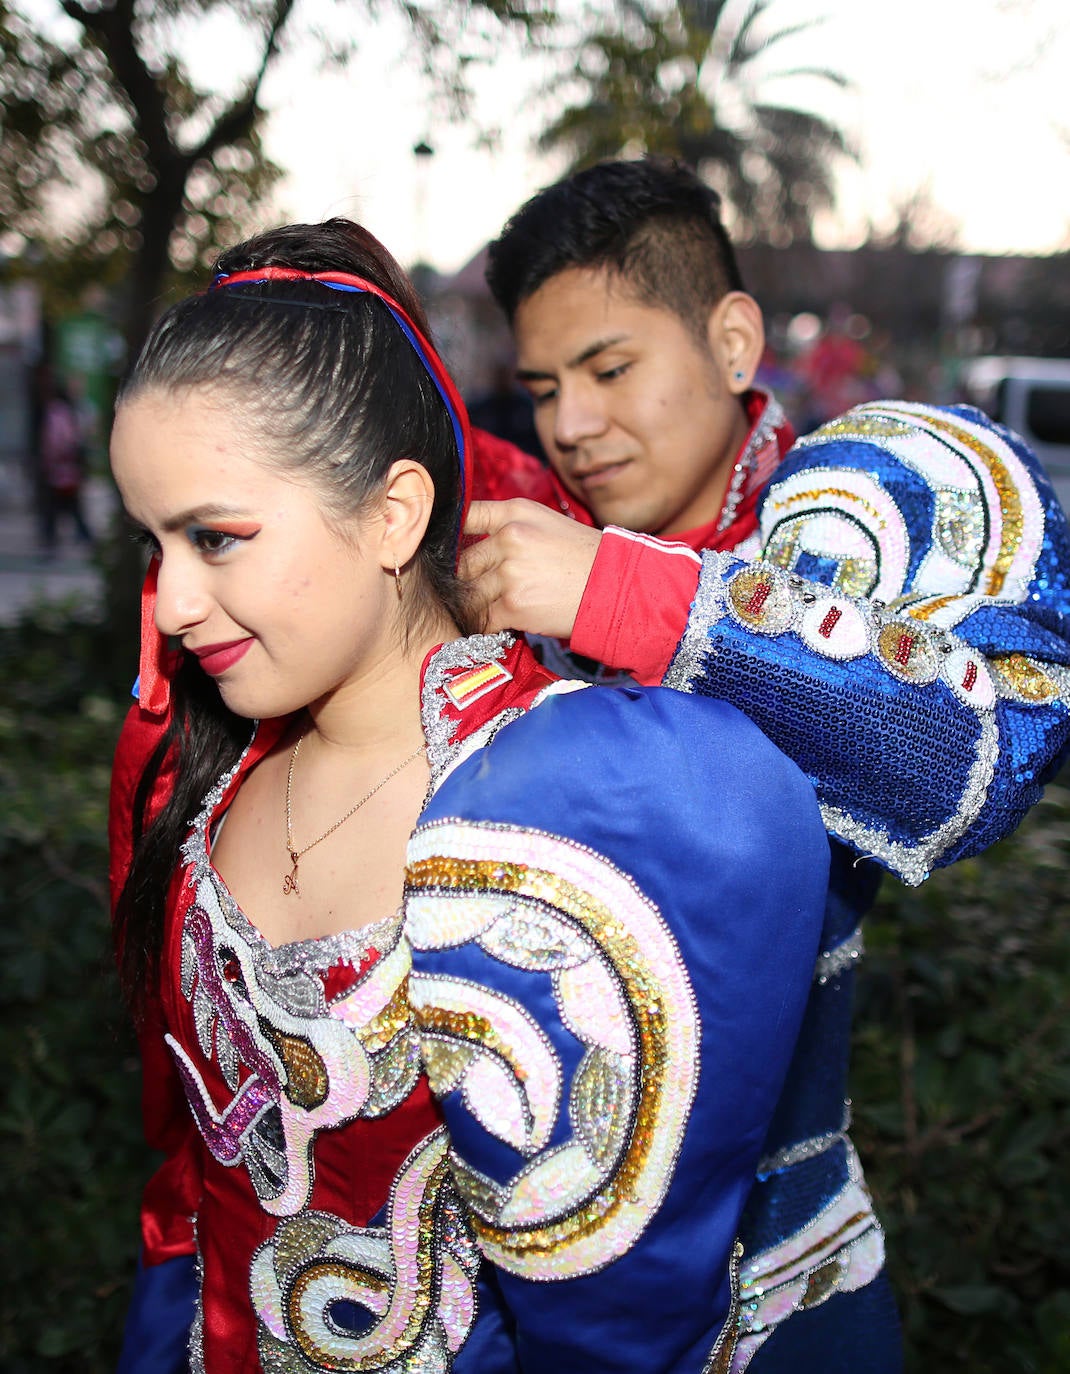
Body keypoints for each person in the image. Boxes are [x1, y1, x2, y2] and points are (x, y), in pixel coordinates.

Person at [107, 217, 832, 1372]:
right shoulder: (201, 776)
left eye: (217, 537)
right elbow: (192, 1210)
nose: (176, 602)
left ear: (394, 515)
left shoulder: (561, 809)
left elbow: (615, 1329)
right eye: (156, 543)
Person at [460, 157, 1070, 1372]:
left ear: (733, 341)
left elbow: (975, 756)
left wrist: (621, 596)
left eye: (609, 368)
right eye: (541, 387)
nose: (570, 424)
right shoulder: (527, 567)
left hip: (790, 1286)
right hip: (524, 1297)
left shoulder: (857, 511)